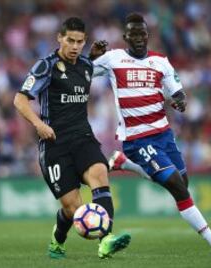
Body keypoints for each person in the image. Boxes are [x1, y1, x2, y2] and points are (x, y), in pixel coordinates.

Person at [90, 13, 211, 257]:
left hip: (164, 135)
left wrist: (180, 102)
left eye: (142, 34)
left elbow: (178, 93)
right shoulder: (113, 59)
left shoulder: (161, 62)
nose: (138, 38)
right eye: (133, 34)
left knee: (183, 185)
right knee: (177, 189)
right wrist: (92, 56)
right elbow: (84, 71)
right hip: (137, 139)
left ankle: (123, 163)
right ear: (125, 37)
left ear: (148, 36)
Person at [13, 17, 130, 259]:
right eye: (70, 41)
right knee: (72, 207)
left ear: (84, 41)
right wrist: (38, 125)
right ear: (60, 38)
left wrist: (95, 57)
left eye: (79, 41)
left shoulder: (87, 65)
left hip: (83, 137)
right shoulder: (46, 66)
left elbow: (89, 68)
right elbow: (19, 99)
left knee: (100, 173)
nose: (75, 46)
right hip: (54, 143)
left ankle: (106, 239)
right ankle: (58, 240)